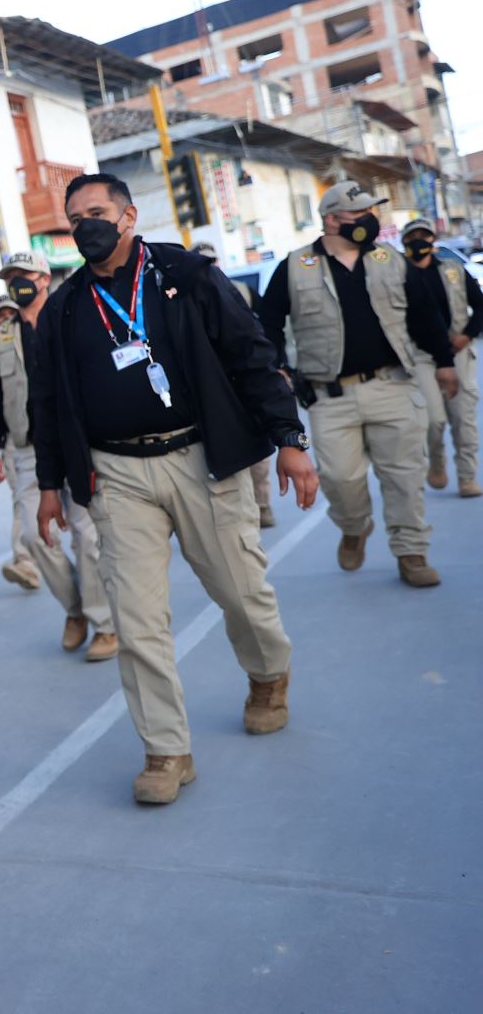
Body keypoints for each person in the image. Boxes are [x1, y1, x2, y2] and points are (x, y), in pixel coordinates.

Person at [32, 174, 316, 806]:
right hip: (118, 476)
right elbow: (47, 402)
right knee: (137, 621)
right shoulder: (67, 305)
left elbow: (250, 353)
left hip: (200, 458)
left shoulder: (184, 275)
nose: (85, 227)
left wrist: (289, 439)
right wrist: (50, 484)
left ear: (129, 215)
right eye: (75, 219)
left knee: (241, 592)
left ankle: (268, 674)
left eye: (97, 213)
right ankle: (166, 749)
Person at [257, 181, 457, 586]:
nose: (369, 220)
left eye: (371, 212)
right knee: (340, 479)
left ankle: (411, 552)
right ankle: (354, 526)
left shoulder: (390, 259)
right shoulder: (295, 266)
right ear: (331, 220)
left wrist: (445, 362)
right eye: (359, 214)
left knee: (403, 476)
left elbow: (425, 315)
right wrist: (275, 366)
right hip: (330, 397)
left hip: (392, 385)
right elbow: (267, 324)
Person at [0, 253, 114, 659]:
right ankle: (75, 611)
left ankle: (104, 624)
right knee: (38, 538)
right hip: (27, 452)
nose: (18, 283)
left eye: (25, 276)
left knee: (88, 537)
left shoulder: (73, 319)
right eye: (11, 278)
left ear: (45, 278)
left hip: (77, 445)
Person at [192, 242, 275, 527]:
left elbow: (263, 333)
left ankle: (262, 504)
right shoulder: (181, 298)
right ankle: (242, 510)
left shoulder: (241, 290)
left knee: (259, 451)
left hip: (244, 381)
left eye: (211, 260)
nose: (208, 266)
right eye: (201, 261)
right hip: (213, 386)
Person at [401, 217, 481, 496]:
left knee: (463, 418)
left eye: (424, 236)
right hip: (419, 355)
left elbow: (480, 306)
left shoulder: (453, 270)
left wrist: (467, 335)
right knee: (432, 419)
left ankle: (467, 476)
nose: (419, 243)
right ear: (404, 243)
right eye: (412, 238)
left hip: (456, 351)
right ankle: (436, 459)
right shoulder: (399, 276)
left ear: (433, 241)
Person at [0, 298, 41, 591]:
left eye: (9, 313)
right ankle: (25, 560)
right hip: (16, 443)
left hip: (52, 437)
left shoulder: (40, 338)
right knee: (23, 502)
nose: (4, 319)